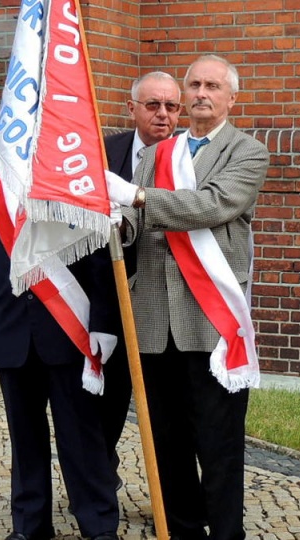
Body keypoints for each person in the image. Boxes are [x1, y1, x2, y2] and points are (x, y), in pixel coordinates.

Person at [104, 55, 269, 540]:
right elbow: (135, 222)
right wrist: (115, 217)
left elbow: (214, 204)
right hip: (154, 316)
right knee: (166, 442)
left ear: (230, 98)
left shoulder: (247, 151)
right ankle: (178, 529)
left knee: (217, 443)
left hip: (211, 320)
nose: (200, 93)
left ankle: (224, 533)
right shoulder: (159, 153)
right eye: (194, 84)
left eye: (212, 86)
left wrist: (136, 198)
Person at [0, 163, 122, 540]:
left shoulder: (72, 167)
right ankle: (30, 525)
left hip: (66, 325)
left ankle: (98, 524)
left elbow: (97, 251)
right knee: (25, 435)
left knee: (81, 434)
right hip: (8, 323)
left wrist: (102, 320)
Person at [101, 71, 182, 483]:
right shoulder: (102, 152)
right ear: (131, 108)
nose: (163, 115)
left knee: (166, 410)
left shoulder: (188, 158)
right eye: (153, 105)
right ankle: (99, 489)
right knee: (102, 405)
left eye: (172, 106)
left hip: (164, 304)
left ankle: (171, 498)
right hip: (107, 297)